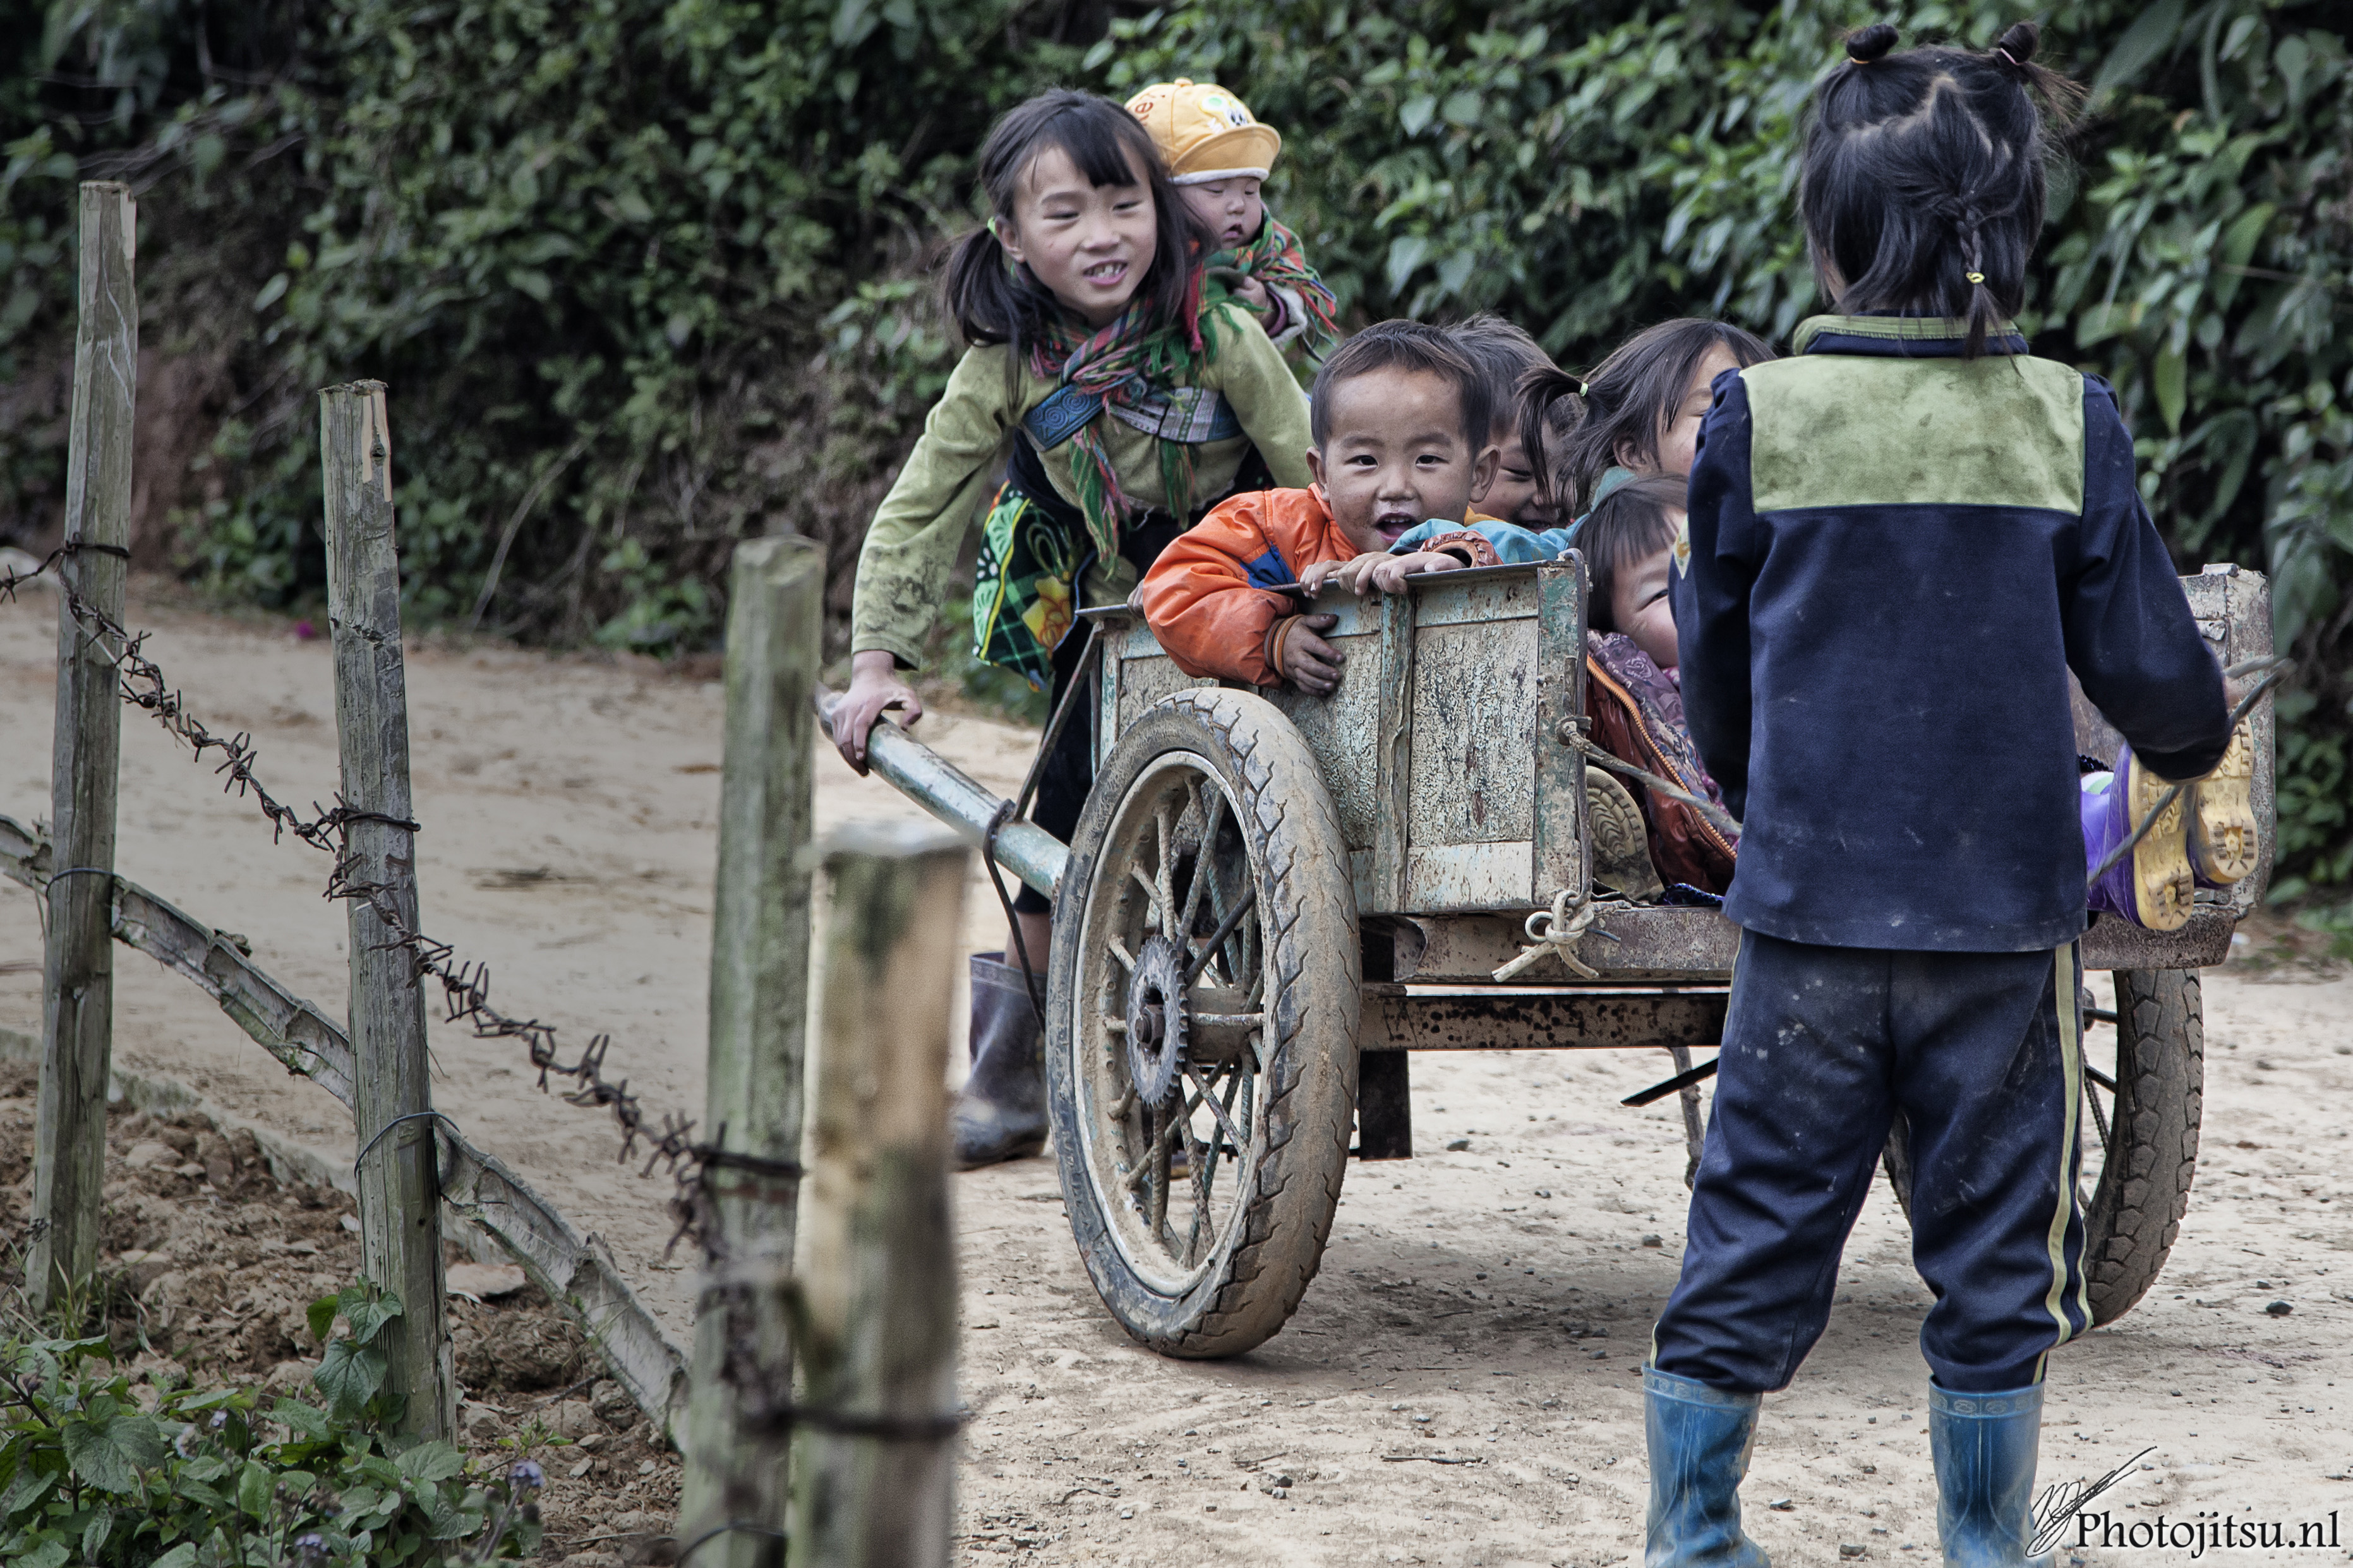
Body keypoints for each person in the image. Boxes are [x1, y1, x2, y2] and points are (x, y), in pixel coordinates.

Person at [1649, 23, 2252, 1567]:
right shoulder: (2067, 420)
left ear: (1833, 233)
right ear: (2012, 238)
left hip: (1803, 918)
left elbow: (1716, 665)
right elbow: (2151, 665)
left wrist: (1751, 796)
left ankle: (1695, 1533)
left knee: (1760, 1221)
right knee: (1997, 1242)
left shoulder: (1755, 419)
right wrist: (2189, 752)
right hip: (2001, 926)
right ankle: (1986, 1544)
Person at [829, 89, 1315, 1170]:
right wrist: (877, 669)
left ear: (1165, 212)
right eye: (1065, 214)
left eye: (1123, 202)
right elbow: (921, 509)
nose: (1102, 235)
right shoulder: (1005, 366)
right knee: (1063, 835)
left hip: (1236, 612)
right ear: (1012, 237)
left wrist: (1346, 585)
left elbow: (1306, 465)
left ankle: (1159, 1084)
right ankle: (1008, 1086)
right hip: (1098, 623)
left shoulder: (1218, 335)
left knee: (1222, 847)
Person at [1137, 320, 1496, 693]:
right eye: (1365, 461)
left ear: (1479, 473)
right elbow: (1175, 587)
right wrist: (1271, 638)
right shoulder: (1279, 529)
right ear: (1321, 474)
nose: (1396, 488)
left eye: (1427, 459)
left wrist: (1450, 559)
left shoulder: (1487, 539)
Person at [1381, 316, 1774, 572]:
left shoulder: (1782, 519)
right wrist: (1454, 552)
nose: (1744, 429)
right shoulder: (1615, 531)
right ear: (1635, 453)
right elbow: (1536, 549)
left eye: (1764, 415)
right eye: (1716, 410)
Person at [1124, 79, 1339, 352]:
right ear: (1159, 196)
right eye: (1216, 190)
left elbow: (1296, 292)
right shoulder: (1139, 248)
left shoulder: (1268, 243)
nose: (1238, 205)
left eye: (1251, 191)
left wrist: (1268, 308)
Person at [1446, 314, 1564, 527]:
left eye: (1566, 474)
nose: (1554, 496)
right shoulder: (1408, 554)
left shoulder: (1585, 547)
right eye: (1522, 472)